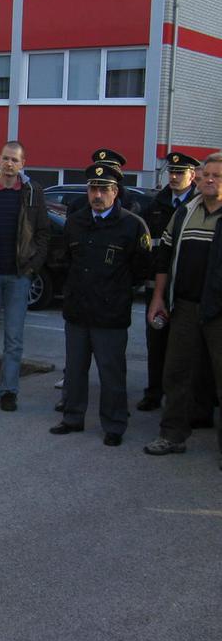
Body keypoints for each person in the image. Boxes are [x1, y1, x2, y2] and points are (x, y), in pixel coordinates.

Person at [50, 162, 151, 446]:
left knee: (111, 373)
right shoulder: (76, 221)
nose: (97, 195)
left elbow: (141, 269)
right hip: (78, 310)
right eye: (93, 189)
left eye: (104, 189)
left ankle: (114, 425)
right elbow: (66, 262)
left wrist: (116, 292)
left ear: (115, 191)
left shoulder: (131, 225)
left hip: (110, 313)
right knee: (75, 369)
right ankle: (72, 417)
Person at [143, 152, 222, 469]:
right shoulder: (185, 213)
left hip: (220, 312)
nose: (209, 179)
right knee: (176, 373)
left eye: (217, 175)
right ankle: (172, 435)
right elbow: (164, 257)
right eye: (206, 175)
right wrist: (158, 298)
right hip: (186, 306)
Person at [0, 141, 49, 412]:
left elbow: (43, 233)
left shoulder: (32, 192)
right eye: (6, 158)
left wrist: (32, 268)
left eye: (15, 160)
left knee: (14, 339)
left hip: (19, 276)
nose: (9, 164)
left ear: (23, 164)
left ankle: (8, 391)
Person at [136, 152, 199, 413]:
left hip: (187, 288)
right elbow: (148, 246)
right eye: (171, 172)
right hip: (158, 287)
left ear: (192, 175)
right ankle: (154, 392)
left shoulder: (199, 204)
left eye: (179, 172)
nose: (173, 177)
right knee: (157, 342)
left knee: (188, 347)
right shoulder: (156, 205)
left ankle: (191, 399)